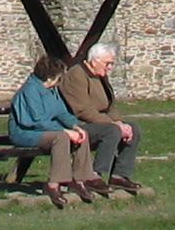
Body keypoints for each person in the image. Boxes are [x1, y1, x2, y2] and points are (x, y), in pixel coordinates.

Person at [6, 58, 97, 207]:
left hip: (47, 129)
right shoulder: (30, 90)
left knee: (82, 135)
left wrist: (76, 127)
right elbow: (37, 120)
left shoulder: (52, 91)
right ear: (50, 77)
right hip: (24, 132)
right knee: (60, 138)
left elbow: (62, 112)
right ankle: (54, 185)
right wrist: (65, 132)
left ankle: (79, 180)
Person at [57, 42, 143, 195]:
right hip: (78, 125)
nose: (110, 67)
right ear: (94, 61)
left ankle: (120, 175)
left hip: (100, 121)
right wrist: (113, 124)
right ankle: (94, 176)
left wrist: (121, 123)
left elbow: (109, 106)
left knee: (134, 128)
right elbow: (83, 110)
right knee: (111, 131)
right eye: (107, 63)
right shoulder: (76, 75)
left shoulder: (100, 76)